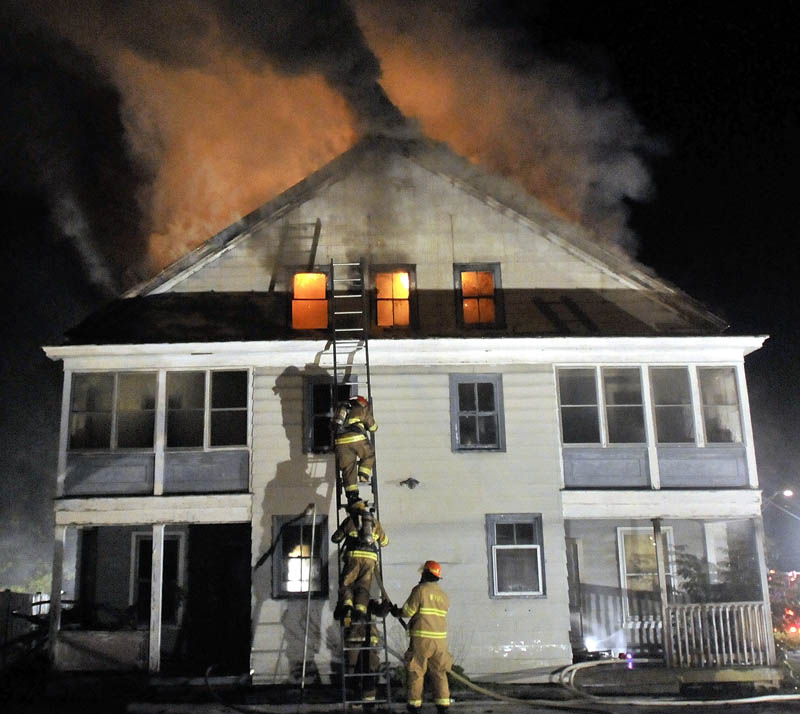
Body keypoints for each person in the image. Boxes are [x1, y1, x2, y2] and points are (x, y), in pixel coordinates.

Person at [393, 560, 452, 714]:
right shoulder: (443, 595)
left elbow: (407, 612)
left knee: (416, 671)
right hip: (440, 642)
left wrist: (396, 612)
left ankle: (414, 706)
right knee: (440, 672)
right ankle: (443, 705)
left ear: (425, 573)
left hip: (422, 640)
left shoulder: (420, 590)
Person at [332, 500, 389, 622]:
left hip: (354, 557)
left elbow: (335, 538)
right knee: (363, 587)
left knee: (347, 583)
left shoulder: (350, 521)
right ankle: (360, 611)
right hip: (371, 559)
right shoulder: (374, 522)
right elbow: (385, 542)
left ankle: (347, 606)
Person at [343, 598, 392, 706]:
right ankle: (364, 702)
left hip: (359, 641)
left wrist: (386, 605)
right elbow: (381, 612)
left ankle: (363, 702)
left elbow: (381, 612)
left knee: (360, 671)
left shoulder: (352, 603)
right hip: (363, 641)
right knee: (365, 671)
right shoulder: (361, 603)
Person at [333, 395, 377, 504]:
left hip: (340, 443)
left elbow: (334, 425)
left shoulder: (342, 409)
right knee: (368, 455)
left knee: (348, 469)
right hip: (357, 439)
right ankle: (363, 475)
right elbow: (373, 428)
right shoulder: (363, 409)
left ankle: (352, 496)